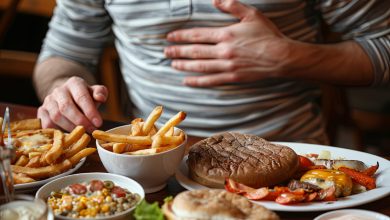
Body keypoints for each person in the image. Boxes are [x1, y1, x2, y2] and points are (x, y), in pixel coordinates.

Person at [33, 0, 389, 145]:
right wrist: (62, 87)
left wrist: (289, 57)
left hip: (290, 162)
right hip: (152, 169)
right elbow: (63, 53)